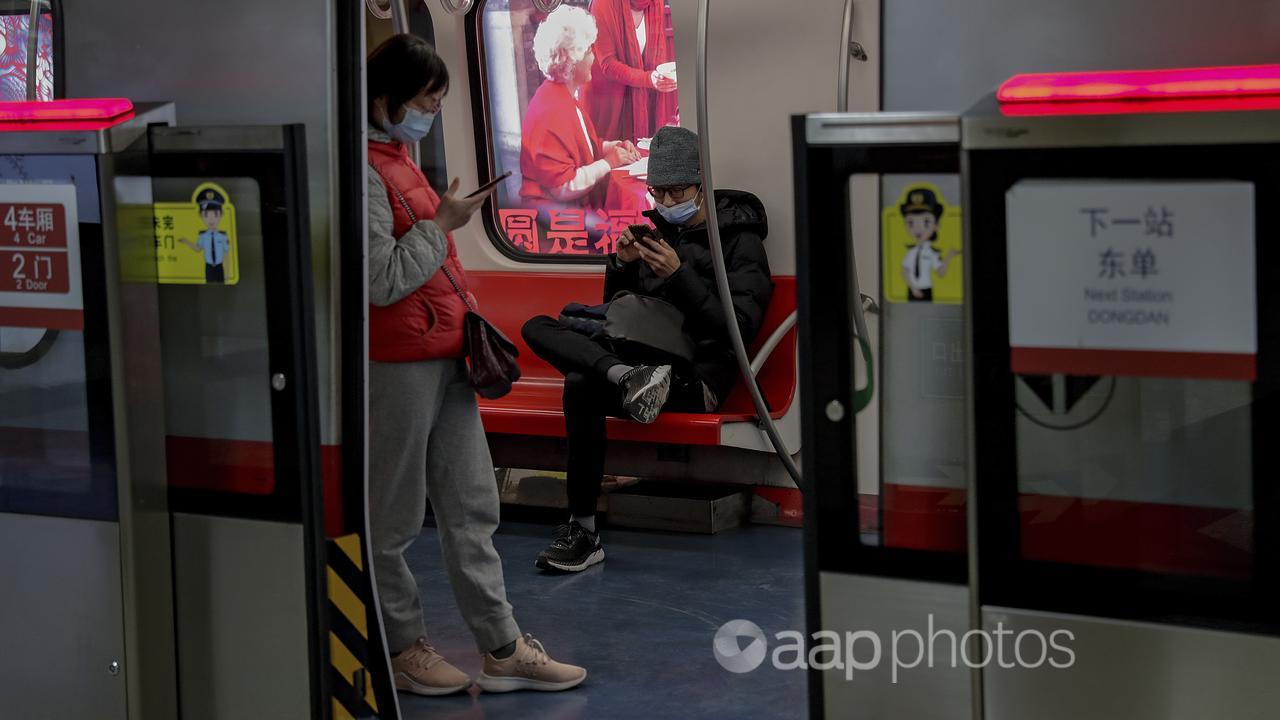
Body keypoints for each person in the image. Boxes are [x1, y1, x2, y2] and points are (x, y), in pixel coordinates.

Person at [365, 33, 586, 695]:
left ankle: (502, 646)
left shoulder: (398, 157)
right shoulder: (364, 172)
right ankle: (401, 645)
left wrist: (441, 224)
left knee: (472, 508)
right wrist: (445, 225)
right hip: (397, 361)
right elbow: (381, 280)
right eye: (426, 99)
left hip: (446, 354)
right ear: (387, 98)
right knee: (394, 519)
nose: (431, 111)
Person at [521, 126, 773, 572]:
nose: (668, 203)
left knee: (582, 382)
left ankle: (582, 525)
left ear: (700, 183)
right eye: (659, 192)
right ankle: (585, 527)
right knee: (537, 327)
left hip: (697, 375)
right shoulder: (655, 231)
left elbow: (739, 330)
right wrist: (620, 266)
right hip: (642, 366)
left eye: (678, 191)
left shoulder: (739, 238)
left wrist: (680, 276)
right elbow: (620, 311)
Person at [519, 5, 641, 209]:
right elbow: (563, 186)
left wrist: (613, 147)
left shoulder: (560, 96)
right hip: (550, 215)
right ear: (571, 61)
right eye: (589, 51)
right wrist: (608, 163)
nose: (594, 57)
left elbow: (581, 146)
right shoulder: (551, 111)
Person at [584, 0, 678, 143]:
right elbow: (608, 64)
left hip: (644, 101)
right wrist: (648, 79)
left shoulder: (654, 2)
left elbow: (658, 52)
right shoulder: (602, 4)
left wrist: (663, 78)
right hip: (608, 105)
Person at [899, 186, 959, 302]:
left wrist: (949, 257)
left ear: (936, 224)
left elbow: (940, 272)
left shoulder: (932, 253)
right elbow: (904, 271)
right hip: (912, 290)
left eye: (926, 222)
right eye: (911, 222)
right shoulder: (912, 252)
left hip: (927, 290)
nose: (917, 228)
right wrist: (913, 288)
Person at [178, 188, 231, 284]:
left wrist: (227, 273)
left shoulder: (222, 236)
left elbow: (226, 254)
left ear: (221, 214)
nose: (211, 219)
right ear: (201, 216)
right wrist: (186, 242)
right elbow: (198, 249)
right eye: (206, 215)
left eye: (215, 214)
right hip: (209, 268)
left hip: (220, 267)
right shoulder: (203, 236)